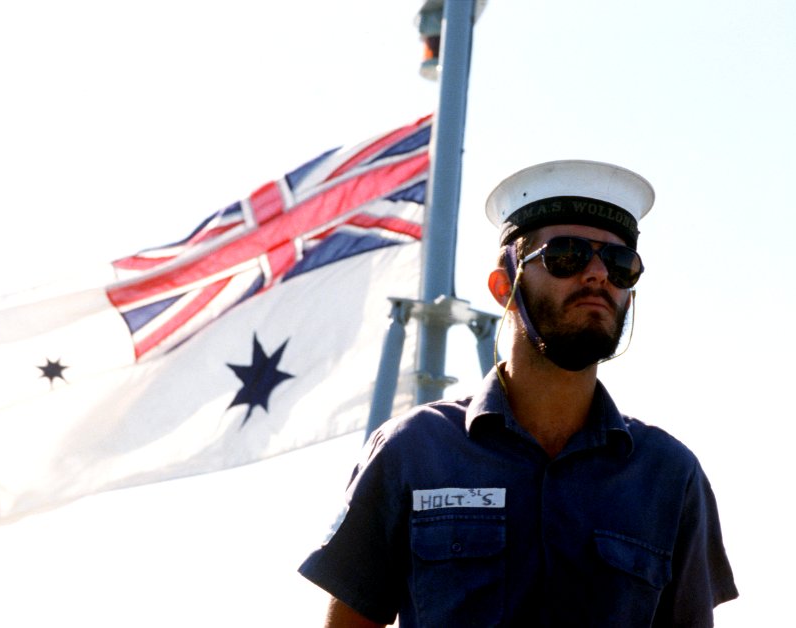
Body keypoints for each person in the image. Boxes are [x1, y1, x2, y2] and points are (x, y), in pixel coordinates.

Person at [298, 160, 738, 627]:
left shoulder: (669, 475)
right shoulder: (411, 450)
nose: (596, 275)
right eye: (565, 255)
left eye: (619, 263)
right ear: (503, 285)